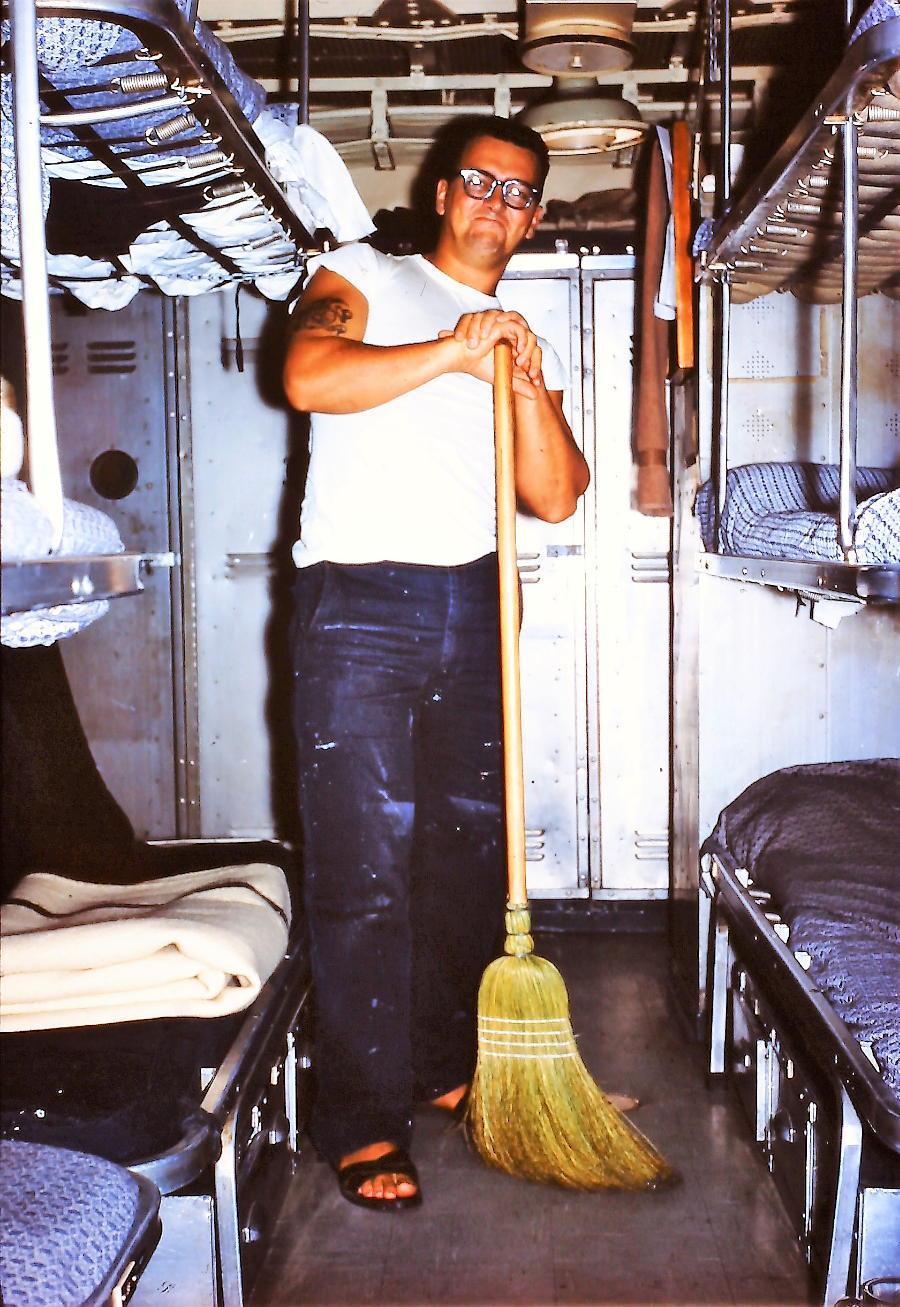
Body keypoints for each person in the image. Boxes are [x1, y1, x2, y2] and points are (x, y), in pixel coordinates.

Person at [282, 114, 590, 1211]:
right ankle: (363, 1119)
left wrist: (519, 381)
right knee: (366, 867)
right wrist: (456, 350)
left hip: (474, 591)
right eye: (481, 183)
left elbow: (556, 493)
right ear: (444, 189)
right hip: (359, 597)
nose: (498, 207)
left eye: (520, 194)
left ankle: (445, 1066)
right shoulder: (359, 273)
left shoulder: (516, 324)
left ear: (535, 216)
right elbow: (312, 377)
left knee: (467, 856)